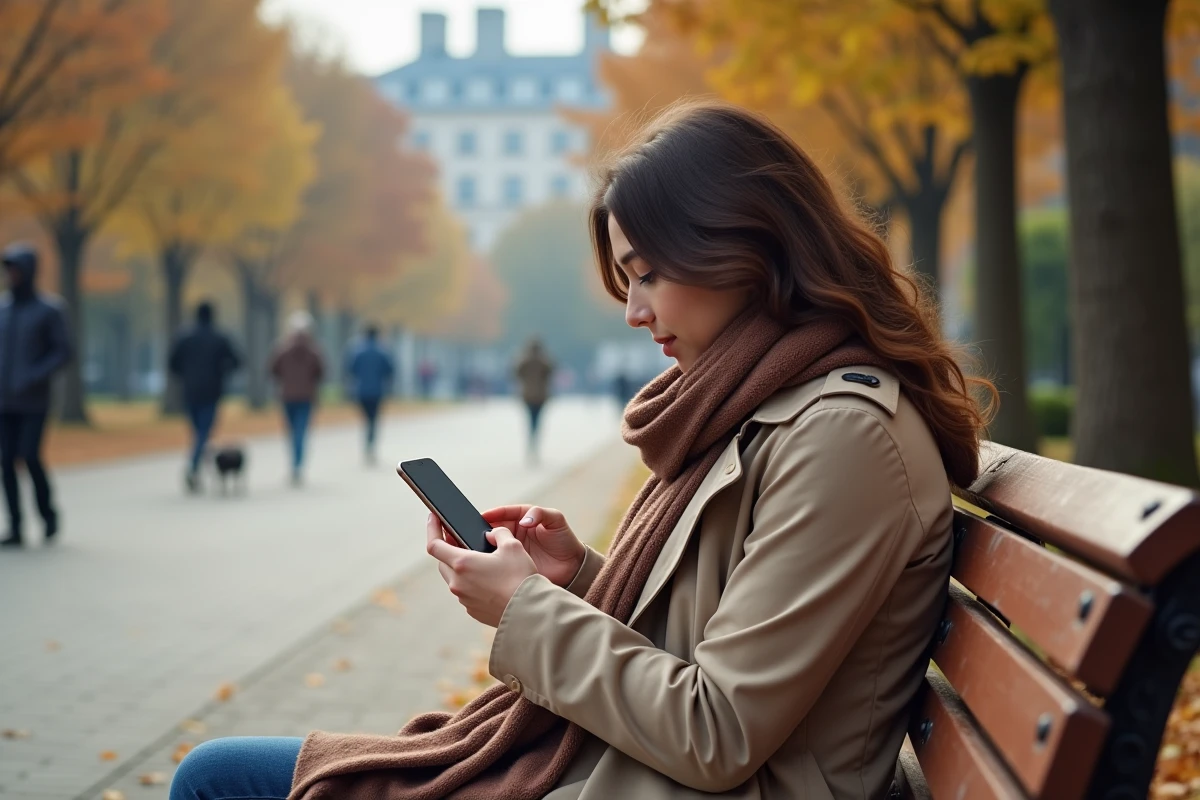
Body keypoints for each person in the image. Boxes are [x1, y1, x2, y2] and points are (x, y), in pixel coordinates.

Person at [171, 100, 996, 800]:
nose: (634, 311)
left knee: (215, 779)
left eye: (646, 274)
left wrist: (528, 611)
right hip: (632, 774)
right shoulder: (782, 405)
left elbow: (718, 731)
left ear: (740, 245)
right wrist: (585, 581)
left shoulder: (841, 436)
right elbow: (727, 656)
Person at [0, 244, 71, 549]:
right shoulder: (3, 310)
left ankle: (47, 514)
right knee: (5, 461)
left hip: (34, 400)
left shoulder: (49, 310)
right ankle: (15, 525)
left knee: (29, 456)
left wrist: (35, 375)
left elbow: (63, 352)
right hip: (4, 400)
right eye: (9, 269)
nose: (11, 275)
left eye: (17, 269)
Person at [168, 302, 241, 493]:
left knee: (198, 431)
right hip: (211, 391)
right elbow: (236, 361)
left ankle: (197, 467)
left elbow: (172, 363)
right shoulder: (220, 337)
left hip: (190, 391)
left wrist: (185, 375)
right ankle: (193, 467)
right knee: (203, 432)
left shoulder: (185, 337)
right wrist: (222, 372)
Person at [268, 311, 325, 486]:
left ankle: (294, 463)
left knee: (292, 431)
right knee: (301, 431)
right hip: (306, 396)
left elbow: (272, 370)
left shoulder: (282, 349)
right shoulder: (314, 351)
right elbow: (321, 372)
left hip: (287, 396)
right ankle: (297, 465)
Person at [345, 325, 394, 464]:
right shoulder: (382, 351)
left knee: (366, 418)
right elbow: (389, 370)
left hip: (361, 390)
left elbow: (351, 369)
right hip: (377, 390)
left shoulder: (357, 351)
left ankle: (367, 442)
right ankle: (370, 444)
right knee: (373, 419)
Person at [513, 336, 555, 465]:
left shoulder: (524, 361)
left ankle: (531, 442)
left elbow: (516, 372)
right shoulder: (543, 361)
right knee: (537, 421)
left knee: (530, 420)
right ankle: (534, 442)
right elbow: (551, 371)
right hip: (540, 396)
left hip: (528, 396)